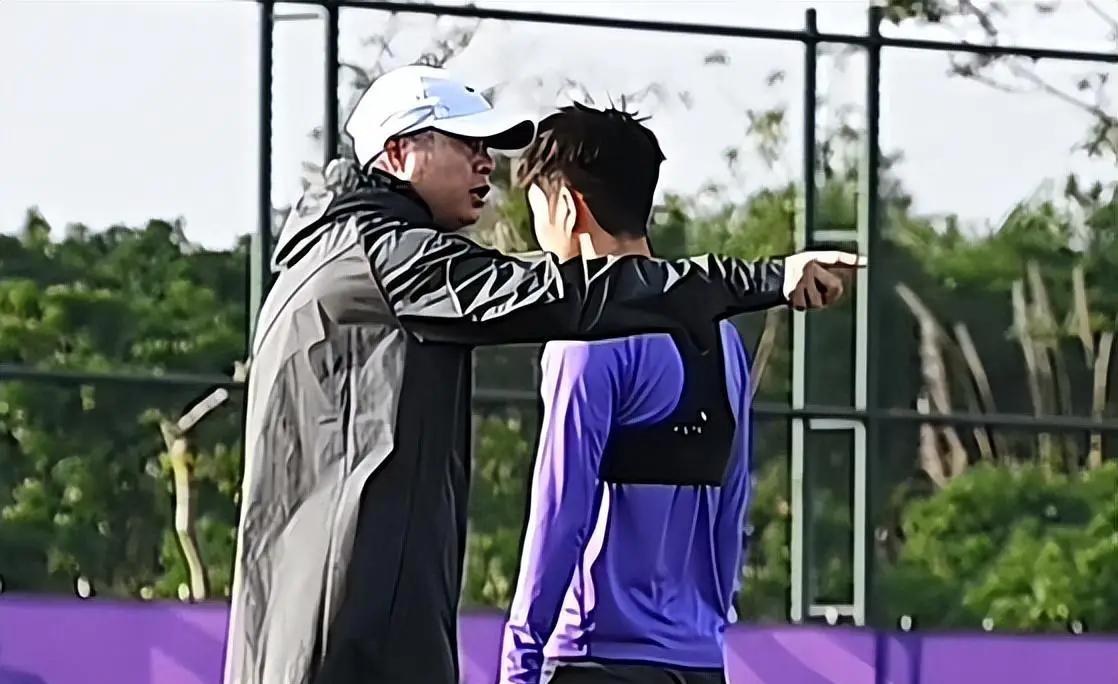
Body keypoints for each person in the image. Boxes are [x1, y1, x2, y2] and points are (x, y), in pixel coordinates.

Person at [222, 65, 861, 684]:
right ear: (398, 153)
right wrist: (762, 279)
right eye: (467, 143)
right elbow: (562, 295)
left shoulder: (344, 256)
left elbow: (563, 505)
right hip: (344, 639)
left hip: (345, 630)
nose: (486, 163)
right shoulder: (384, 259)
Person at [500, 104, 764, 684]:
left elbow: (560, 510)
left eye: (537, 208)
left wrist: (520, 662)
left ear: (567, 207)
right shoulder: (723, 333)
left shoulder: (585, 337)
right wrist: (706, 625)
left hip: (596, 657)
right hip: (698, 661)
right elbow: (733, 501)